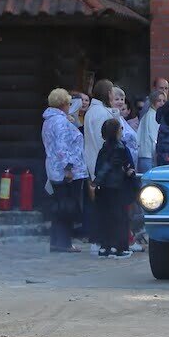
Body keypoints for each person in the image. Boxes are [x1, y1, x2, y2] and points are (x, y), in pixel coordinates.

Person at [41, 88, 87, 253]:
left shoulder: (49, 120)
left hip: (54, 168)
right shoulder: (60, 122)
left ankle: (57, 241)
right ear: (63, 104)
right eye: (68, 103)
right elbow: (63, 147)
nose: (70, 106)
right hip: (66, 171)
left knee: (60, 206)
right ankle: (64, 242)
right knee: (66, 207)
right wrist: (68, 168)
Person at [92, 118, 135, 259]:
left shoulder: (103, 149)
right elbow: (127, 167)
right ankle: (120, 248)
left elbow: (98, 168)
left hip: (103, 188)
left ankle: (105, 246)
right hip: (118, 187)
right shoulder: (121, 148)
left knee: (105, 217)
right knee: (120, 218)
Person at [82, 80, 117, 251]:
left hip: (92, 161)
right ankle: (101, 241)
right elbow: (103, 140)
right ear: (107, 93)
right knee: (104, 206)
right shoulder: (102, 113)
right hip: (100, 163)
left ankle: (98, 240)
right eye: (111, 91)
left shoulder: (92, 111)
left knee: (97, 204)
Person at [136, 89, 164, 172]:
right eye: (159, 101)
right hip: (149, 157)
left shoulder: (147, 115)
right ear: (153, 102)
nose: (162, 103)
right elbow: (154, 139)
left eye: (164, 101)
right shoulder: (153, 116)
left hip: (144, 155)